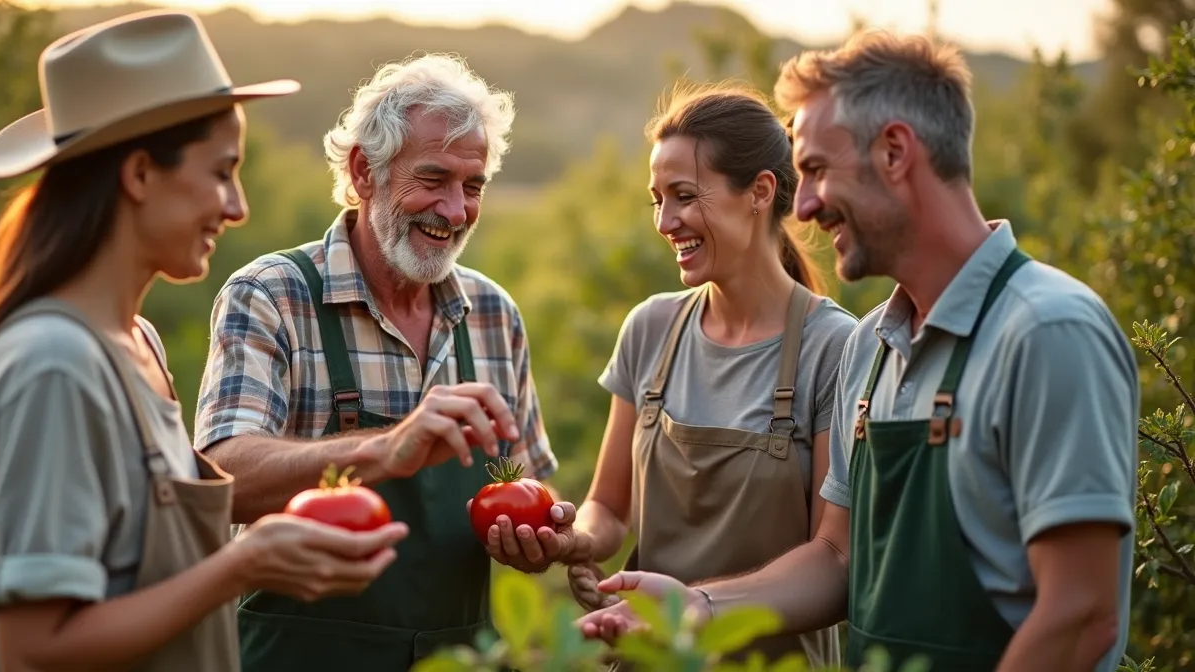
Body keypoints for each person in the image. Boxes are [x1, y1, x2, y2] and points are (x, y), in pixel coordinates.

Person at [576, 30, 1139, 672]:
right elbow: (837, 558)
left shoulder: (1046, 332)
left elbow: (1081, 616)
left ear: (895, 151)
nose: (804, 205)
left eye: (817, 169)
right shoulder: (871, 348)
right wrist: (699, 606)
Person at [0, 11, 410, 672]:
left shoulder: (139, 344)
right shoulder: (54, 364)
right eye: (221, 172)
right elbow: (32, 647)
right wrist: (244, 563)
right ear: (139, 175)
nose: (237, 206)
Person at [192, 53, 570, 671]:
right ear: (364, 171)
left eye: (472, 186)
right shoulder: (272, 295)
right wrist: (386, 448)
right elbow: (220, 478)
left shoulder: (494, 314)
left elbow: (523, 480)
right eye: (433, 178)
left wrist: (543, 531)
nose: (455, 210)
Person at [529, 82, 856, 668]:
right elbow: (610, 507)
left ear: (760, 192)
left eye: (684, 196)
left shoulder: (833, 346)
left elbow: (834, 559)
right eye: (656, 200)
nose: (664, 221)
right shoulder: (650, 329)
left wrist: (697, 607)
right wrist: (574, 539)